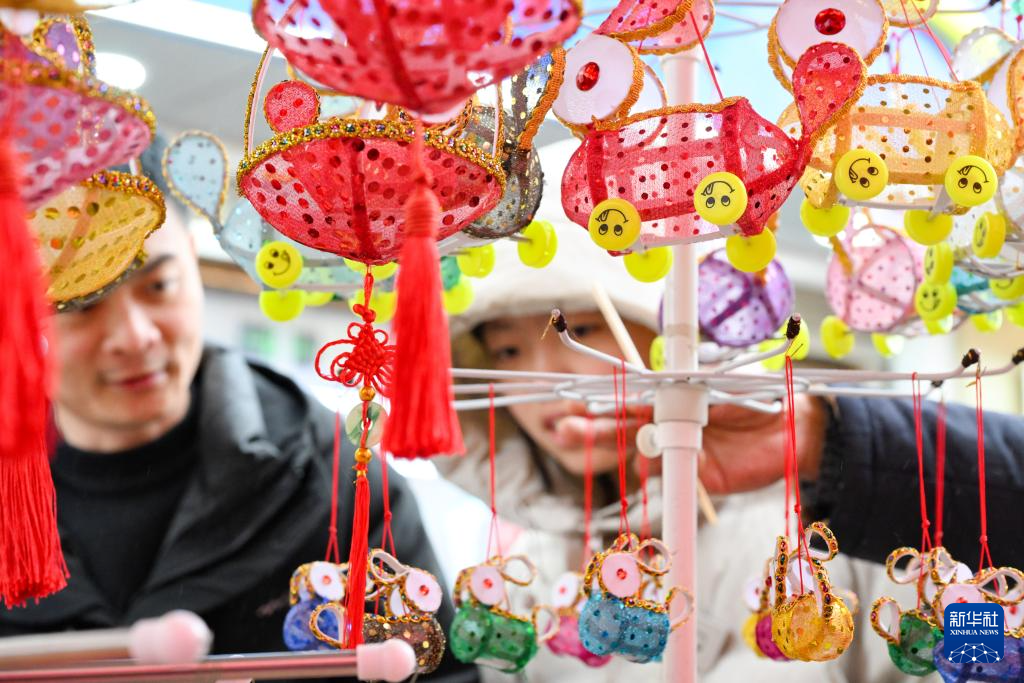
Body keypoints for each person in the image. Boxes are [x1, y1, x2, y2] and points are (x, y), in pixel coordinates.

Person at [437, 223, 1024, 682]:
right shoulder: (522, 568)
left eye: (582, 331)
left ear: (671, 335)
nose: (544, 379)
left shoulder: (820, 533)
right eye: (507, 352)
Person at [0, 153, 477, 683]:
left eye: (159, 286)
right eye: (79, 303)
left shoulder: (330, 474)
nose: (135, 337)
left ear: (192, 262)